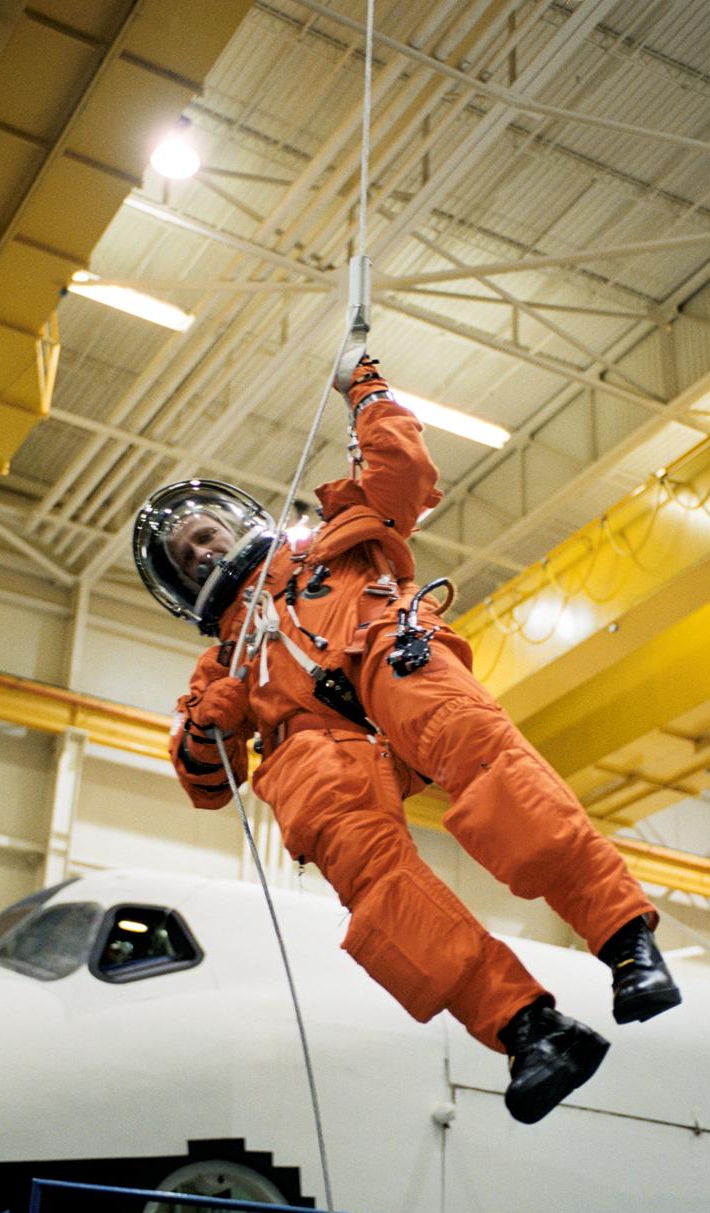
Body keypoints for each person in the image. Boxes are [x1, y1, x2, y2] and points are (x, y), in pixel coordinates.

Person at [133, 356, 681, 1125]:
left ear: (231, 521)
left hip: (387, 661)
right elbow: (203, 784)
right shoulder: (222, 666)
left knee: (477, 753)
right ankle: (530, 1031)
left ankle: (625, 944)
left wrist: (364, 386)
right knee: (361, 869)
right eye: (184, 557)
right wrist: (212, 720)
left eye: (201, 536)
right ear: (179, 586)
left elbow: (404, 469)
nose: (199, 553)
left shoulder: (333, 541)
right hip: (322, 747)